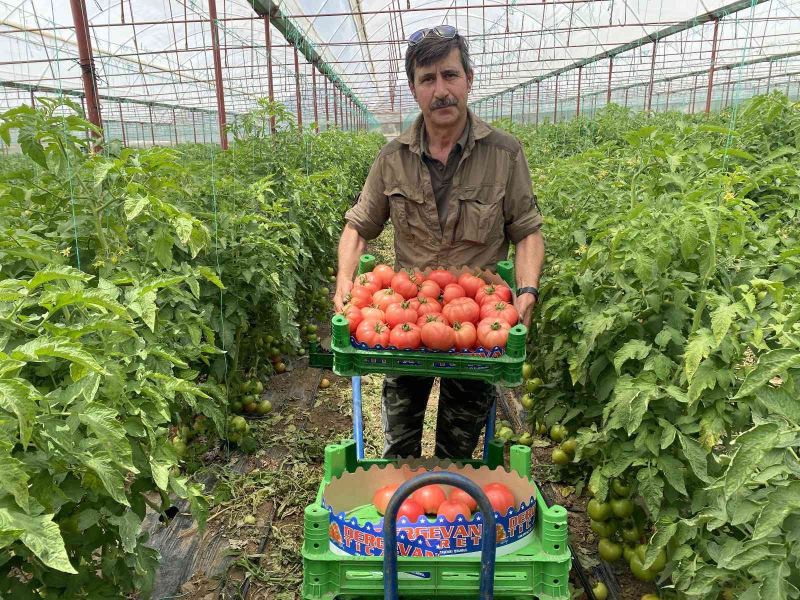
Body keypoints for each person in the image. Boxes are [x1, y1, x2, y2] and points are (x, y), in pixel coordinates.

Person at [332, 25, 545, 460]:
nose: (441, 90)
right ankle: (403, 512)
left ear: (469, 78)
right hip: (407, 311)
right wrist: (344, 280)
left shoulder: (504, 154)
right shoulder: (392, 159)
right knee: (399, 442)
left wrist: (526, 291)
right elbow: (358, 226)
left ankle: (451, 511)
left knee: (460, 446)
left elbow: (526, 231)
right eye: (428, 79)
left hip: (478, 324)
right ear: (414, 89)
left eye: (450, 75)